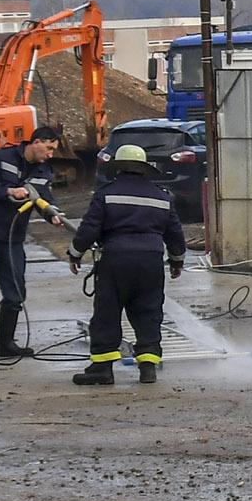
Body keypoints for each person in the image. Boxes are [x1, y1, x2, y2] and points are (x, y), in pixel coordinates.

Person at [69, 141, 187, 385]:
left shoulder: (106, 194)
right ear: (144, 168)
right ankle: (148, 367)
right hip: (151, 263)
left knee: (107, 312)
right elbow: (175, 233)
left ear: (119, 168)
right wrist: (176, 261)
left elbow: (90, 227)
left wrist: (75, 252)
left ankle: (102, 368)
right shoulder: (162, 197)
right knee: (149, 312)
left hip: (115, 260)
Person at [0, 128, 63, 362]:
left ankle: (6, 343)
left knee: (15, 292)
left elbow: (44, 199)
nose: (50, 154)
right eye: (49, 148)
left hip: (13, 238)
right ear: (36, 141)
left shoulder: (43, 171)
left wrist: (53, 215)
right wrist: (7, 191)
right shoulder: (4, 157)